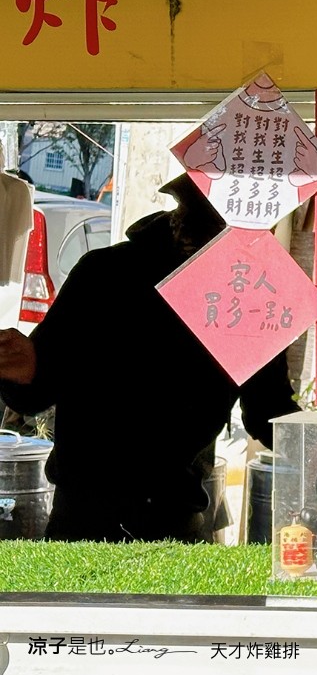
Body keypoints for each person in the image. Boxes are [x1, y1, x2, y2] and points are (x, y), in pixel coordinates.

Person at [0, 173, 299, 542]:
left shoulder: (252, 297)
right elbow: (36, 390)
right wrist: (20, 369)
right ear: (181, 212)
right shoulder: (105, 273)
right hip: (82, 514)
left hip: (176, 517)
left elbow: (268, 412)